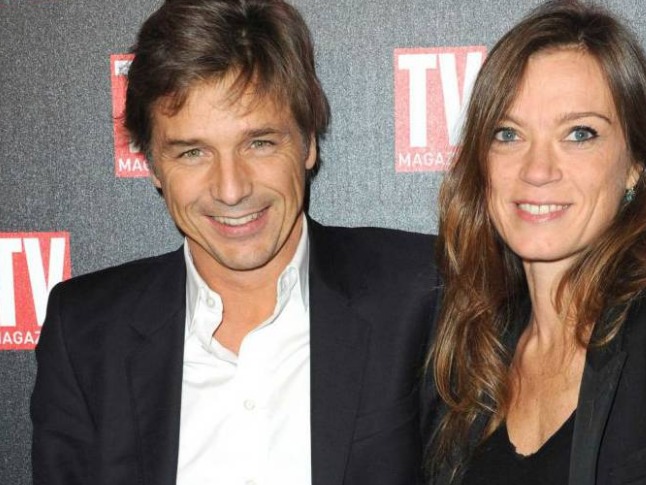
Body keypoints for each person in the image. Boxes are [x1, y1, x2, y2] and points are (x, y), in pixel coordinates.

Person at [31, 1, 439, 484]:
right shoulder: (85, 332)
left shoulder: (423, 295)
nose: (231, 189)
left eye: (259, 143)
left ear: (308, 142)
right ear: (153, 165)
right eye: (192, 152)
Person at [426, 1, 646, 484]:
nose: (537, 170)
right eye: (508, 134)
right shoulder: (464, 361)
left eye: (579, 133)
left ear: (636, 165)